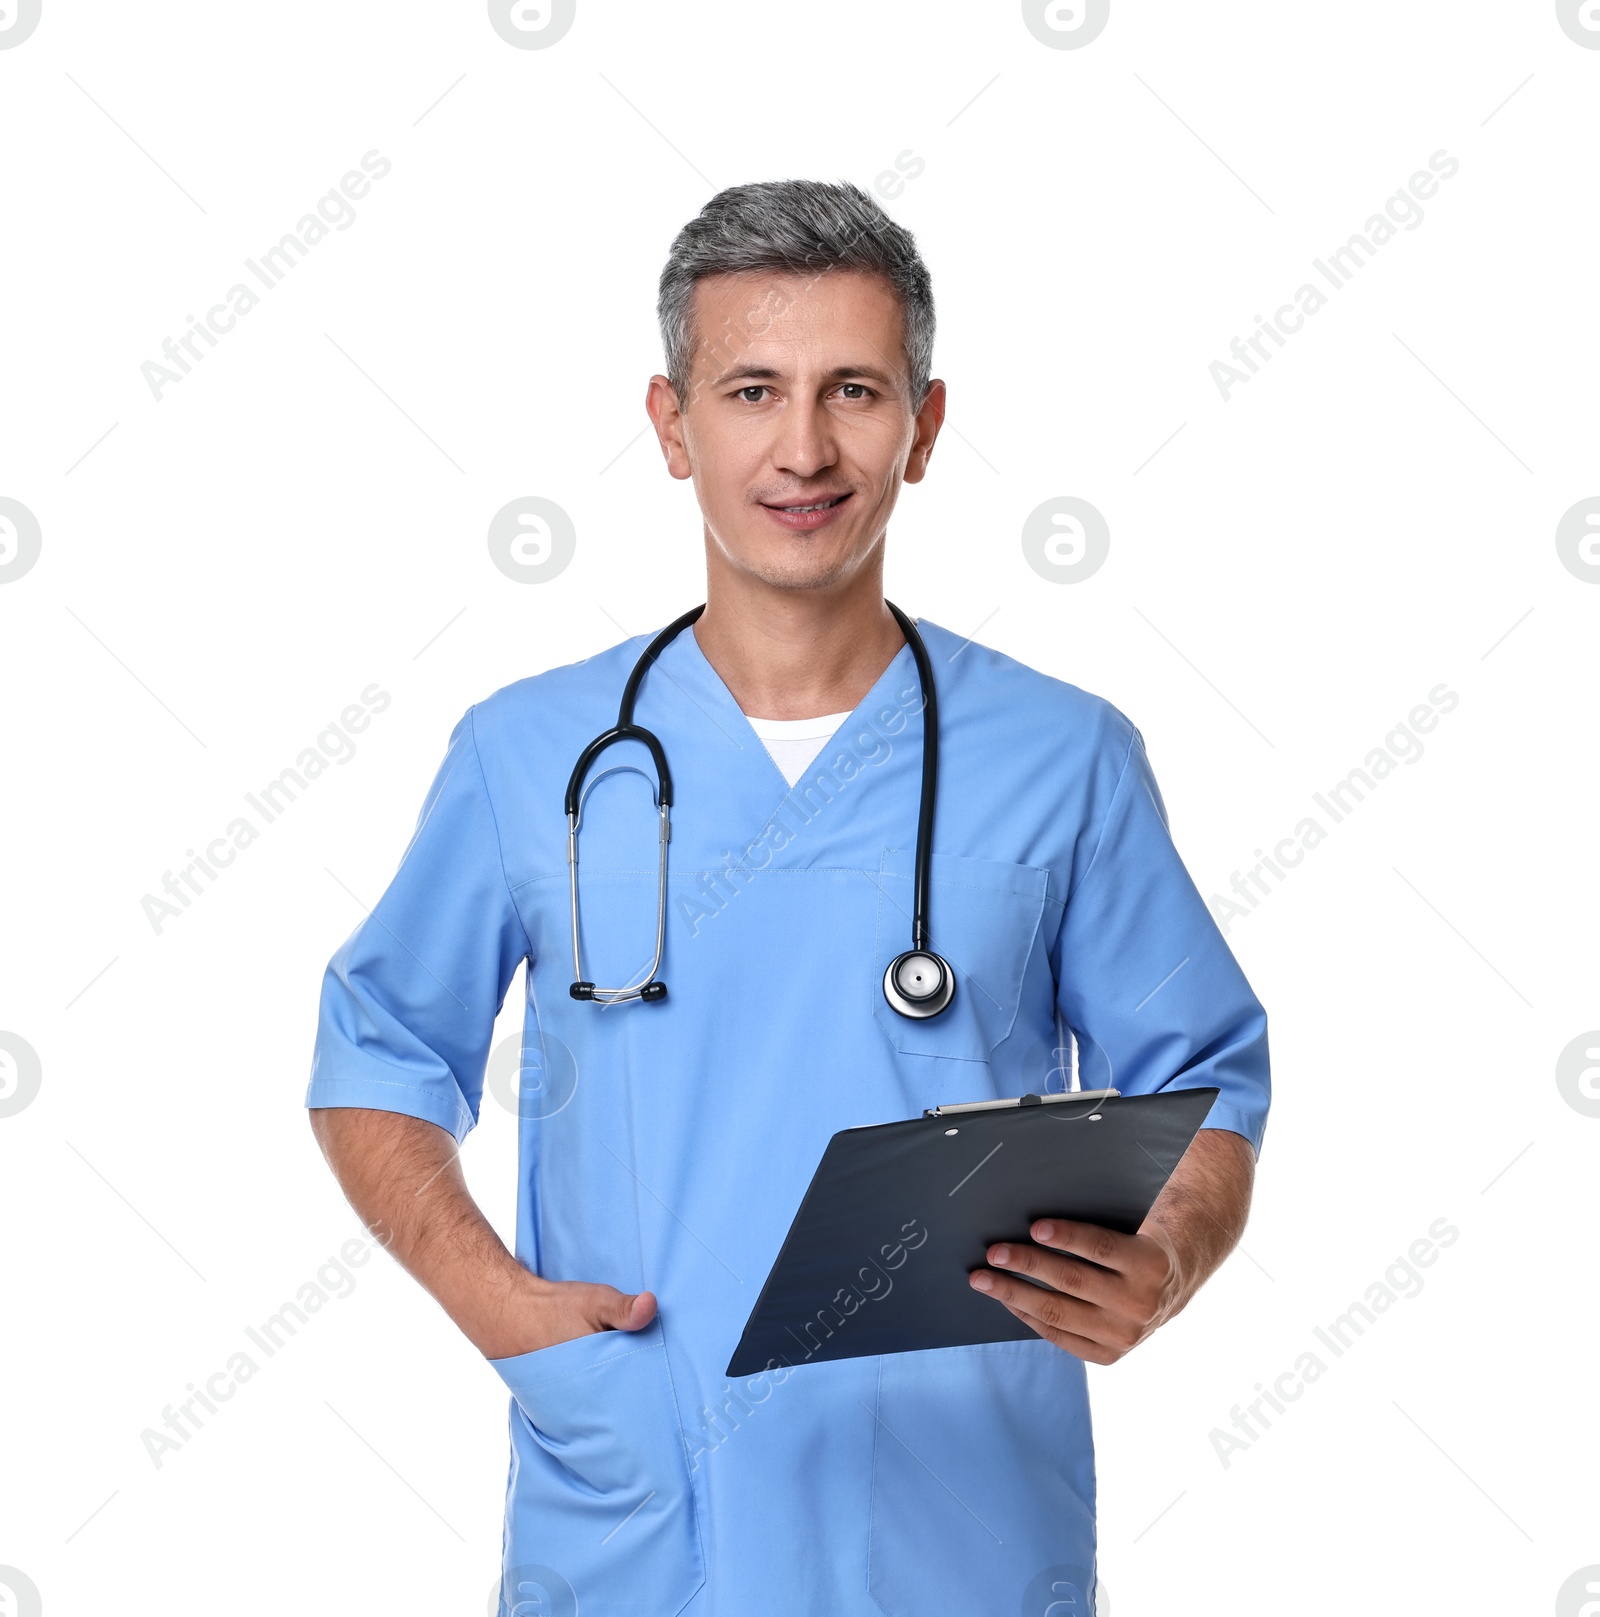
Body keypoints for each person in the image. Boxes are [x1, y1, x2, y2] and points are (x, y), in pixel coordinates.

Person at [307, 179, 1270, 1616]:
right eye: (752, 388)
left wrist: (1171, 1256)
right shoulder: (529, 755)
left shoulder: (1066, 759)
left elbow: (1203, 1076)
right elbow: (376, 1051)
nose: (805, 447)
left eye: (857, 391)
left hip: (965, 1532)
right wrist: (492, 1301)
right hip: (637, 1521)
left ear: (925, 429)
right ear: (671, 424)